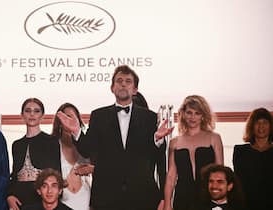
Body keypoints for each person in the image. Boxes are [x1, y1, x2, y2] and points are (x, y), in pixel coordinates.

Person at [57, 65, 173, 210]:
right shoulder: (99, 116)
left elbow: (155, 159)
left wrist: (157, 141)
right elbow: (88, 150)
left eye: (128, 81)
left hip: (142, 197)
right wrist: (76, 132)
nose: (123, 83)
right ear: (112, 88)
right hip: (107, 198)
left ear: (135, 89)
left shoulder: (149, 117)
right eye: (119, 80)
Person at [163, 95, 224, 210]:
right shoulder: (174, 142)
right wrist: (167, 204)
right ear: (183, 114)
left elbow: (220, 173)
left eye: (197, 113)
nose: (193, 117)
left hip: (208, 198)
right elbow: (171, 176)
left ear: (203, 116)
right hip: (182, 198)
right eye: (189, 112)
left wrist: (221, 202)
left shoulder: (214, 138)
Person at [7, 98, 61, 210]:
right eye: (28, 111)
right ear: (22, 115)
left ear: (42, 115)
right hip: (20, 201)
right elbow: (15, 174)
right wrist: (9, 195)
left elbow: (56, 173)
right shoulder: (17, 145)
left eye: (36, 111)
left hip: (43, 200)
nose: (32, 114)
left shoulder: (51, 141)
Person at [52, 103, 93, 210]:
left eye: (72, 117)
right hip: (61, 204)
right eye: (66, 117)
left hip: (86, 202)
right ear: (59, 123)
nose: (69, 120)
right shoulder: (52, 146)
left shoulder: (87, 144)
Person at [232, 107, 273, 210]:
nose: (261, 126)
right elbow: (238, 182)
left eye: (265, 122)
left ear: (271, 126)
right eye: (257, 123)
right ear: (251, 126)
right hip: (247, 204)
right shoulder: (240, 151)